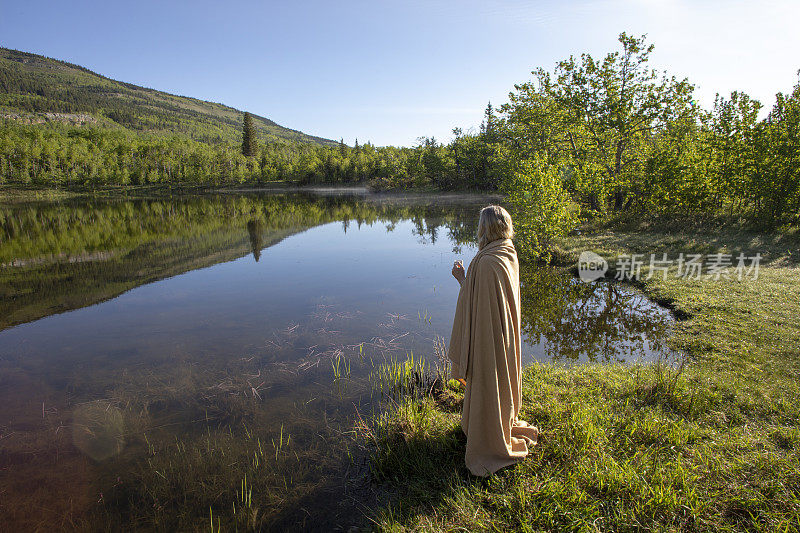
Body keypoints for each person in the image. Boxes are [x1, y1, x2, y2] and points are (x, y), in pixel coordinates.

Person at [448, 205, 538, 476]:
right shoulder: (507, 251)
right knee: (500, 376)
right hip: (504, 334)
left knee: (488, 378)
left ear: (484, 228)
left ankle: (489, 440)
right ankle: (494, 422)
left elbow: (476, 304)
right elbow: (488, 301)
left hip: (489, 337)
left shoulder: (485, 262)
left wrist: (461, 278)